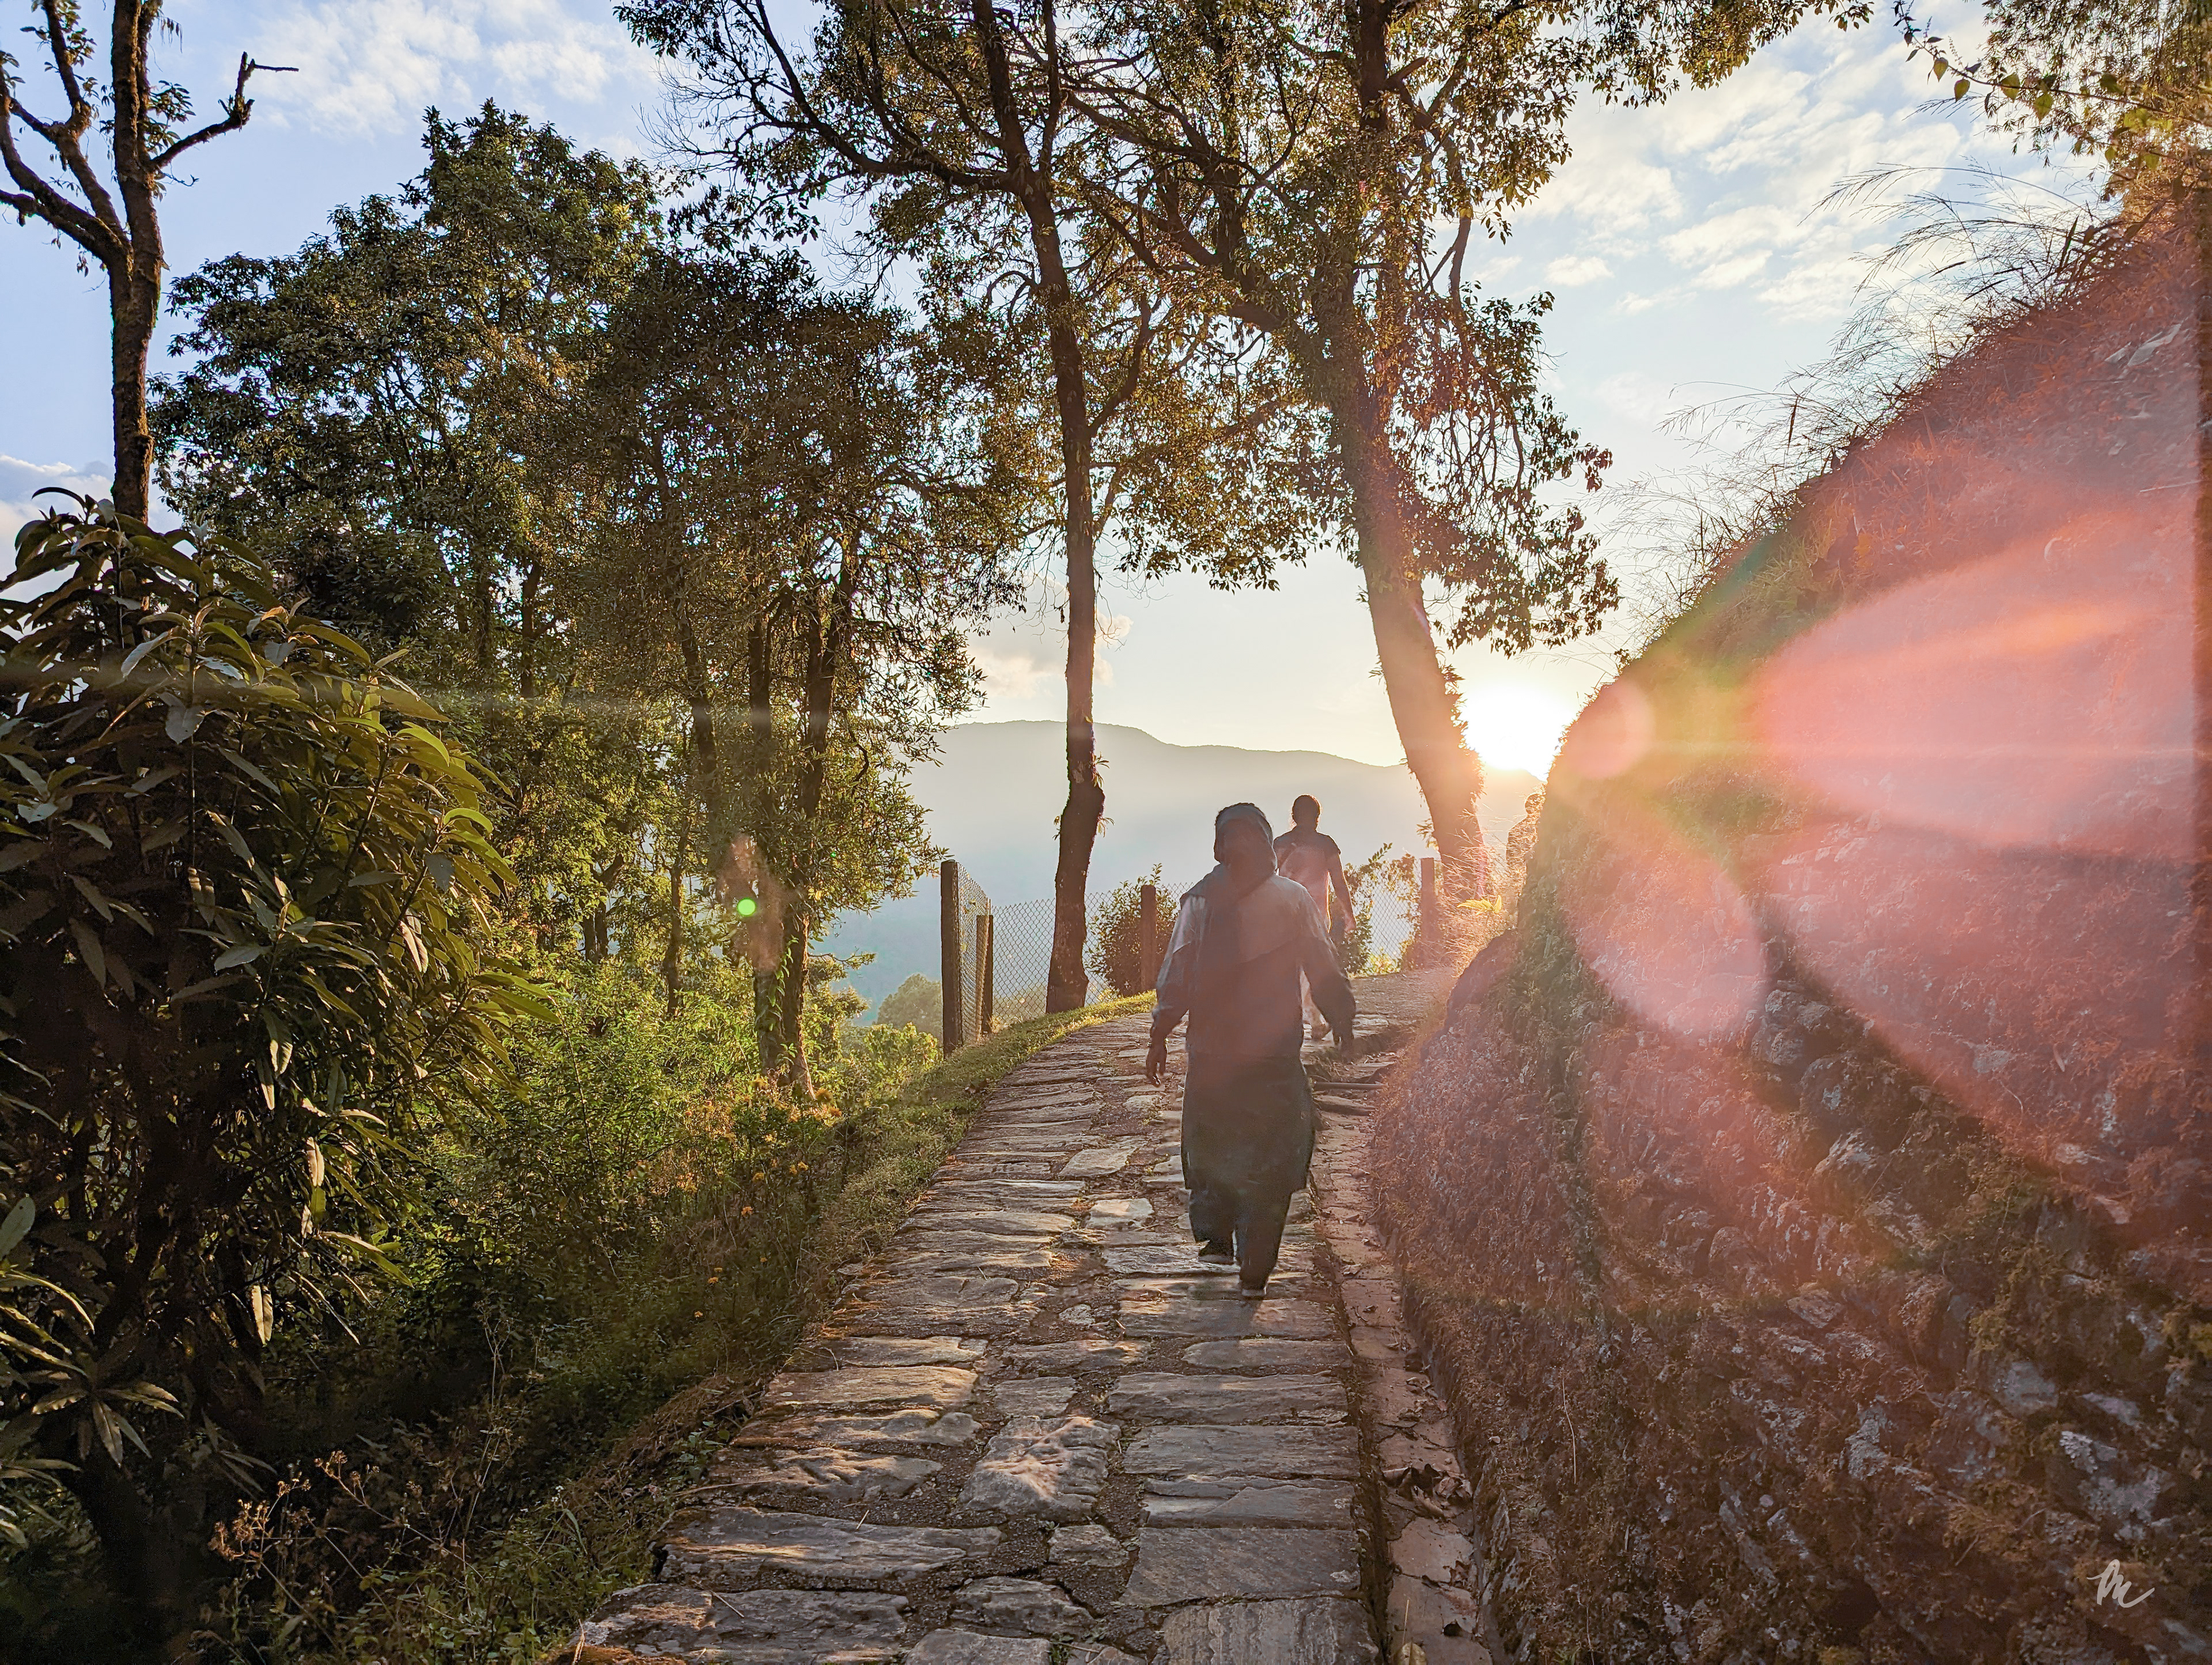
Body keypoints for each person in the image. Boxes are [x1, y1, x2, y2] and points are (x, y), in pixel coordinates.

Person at [1146, 803, 1356, 1298]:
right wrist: (1343, 1020)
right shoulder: (1293, 900)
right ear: (1266, 843)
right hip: (1274, 1057)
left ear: (1219, 844)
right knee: (1273, 1154)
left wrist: (1160, 1034)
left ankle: (1218, 1238)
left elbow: (1177, 976)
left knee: (1211, 1146)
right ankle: (1255, 1268)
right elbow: (1323, 967)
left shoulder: (1199, 900)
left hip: (1212, 1058)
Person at [1273, 794, 1354, 1038]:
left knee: (1287, 966)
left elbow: (1265, 877)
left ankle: (1290, 1018)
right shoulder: (1326, 845)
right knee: (1314, 967)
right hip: (1317, 915)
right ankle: (1315, 1020)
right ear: (1317, 818)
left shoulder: (1280, 844)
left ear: (1294, 817)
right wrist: (1348, 913)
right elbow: (1339, 882)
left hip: (1283, 913)